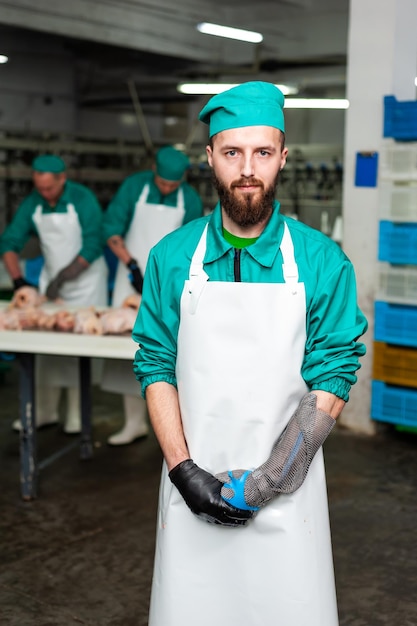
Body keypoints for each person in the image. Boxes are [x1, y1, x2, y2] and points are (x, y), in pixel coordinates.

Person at [132, 82, 368, 626]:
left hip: (288, 491)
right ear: (209, 156)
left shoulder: (321, 261)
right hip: (191, 482)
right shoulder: (171, 258)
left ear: (283, 157)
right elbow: (155, 364)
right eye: (232, 152)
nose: (247, 168)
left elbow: (333, 379)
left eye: (262, 152)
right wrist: (183, 471)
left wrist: (266, 483)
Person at [101, 145, 203, 445]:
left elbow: (192, 245)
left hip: (169, 278)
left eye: (174, 184)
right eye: (163, 182)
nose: (168, 188)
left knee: (171, 349)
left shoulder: (191, 200)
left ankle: (171, 426)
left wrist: (172, 279)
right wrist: (131, 264)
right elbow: (112, 228)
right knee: (129, 346)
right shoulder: (134, 187)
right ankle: (134, 421)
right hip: (129, 274)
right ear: (154, 172)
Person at [0, 154, 108, 434]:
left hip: (85, 283)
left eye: (49, 188)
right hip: (51, 284)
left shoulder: (82, 199)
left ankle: (76, 415)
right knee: (46, 349)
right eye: (40, 188)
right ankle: (43, 412)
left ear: (62, 179)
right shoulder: (34, 203)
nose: (45, 193)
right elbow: (10, 241)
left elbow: (94, 243)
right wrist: (20, 281)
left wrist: (63, 277)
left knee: (78, 350)